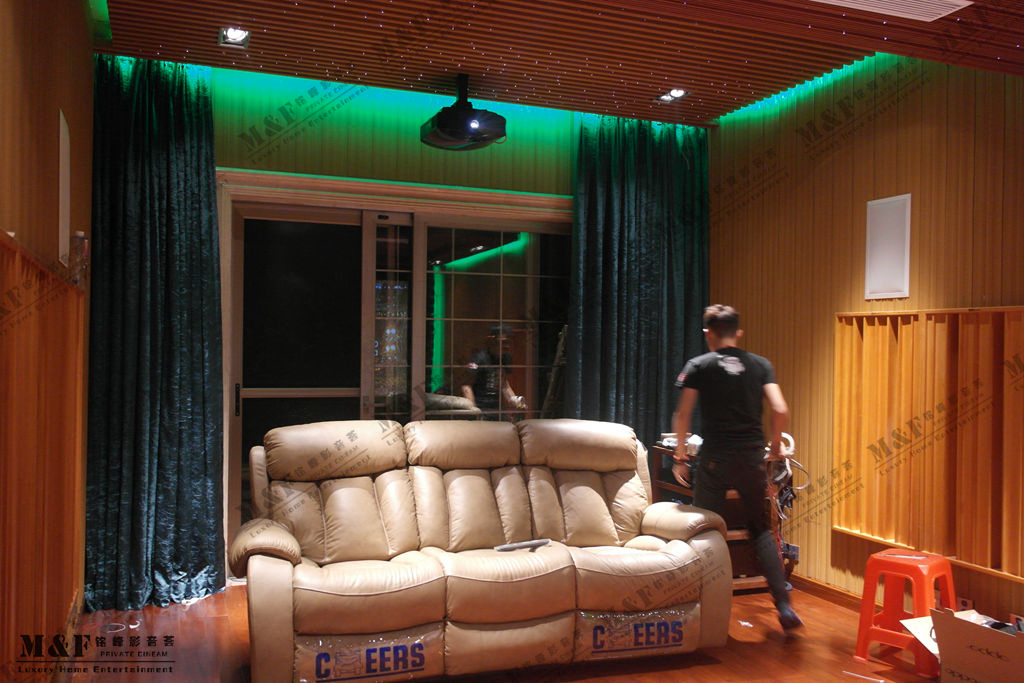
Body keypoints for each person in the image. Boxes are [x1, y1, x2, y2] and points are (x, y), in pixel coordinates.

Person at [671, 304, 803, 631]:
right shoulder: (760, 365)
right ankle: (783, 606)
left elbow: (683, 415)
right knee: (761, 530)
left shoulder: (698, 366)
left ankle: (705, 608)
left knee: (705, 531)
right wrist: (775, 445)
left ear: (708, 333)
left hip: (715, 460)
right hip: (750, 459)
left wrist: (680, 456)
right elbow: (780, 409)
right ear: (738, 332)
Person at [460, 323, 526, 419]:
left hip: (497, 407)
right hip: (481, 406)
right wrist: (473, 410)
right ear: (493, 340)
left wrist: (515, 401)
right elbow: (466, 385)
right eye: (504, 342)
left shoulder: (505, 358)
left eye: (508, 342)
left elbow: (504, 384)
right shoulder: (479, 358)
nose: (507, 346)